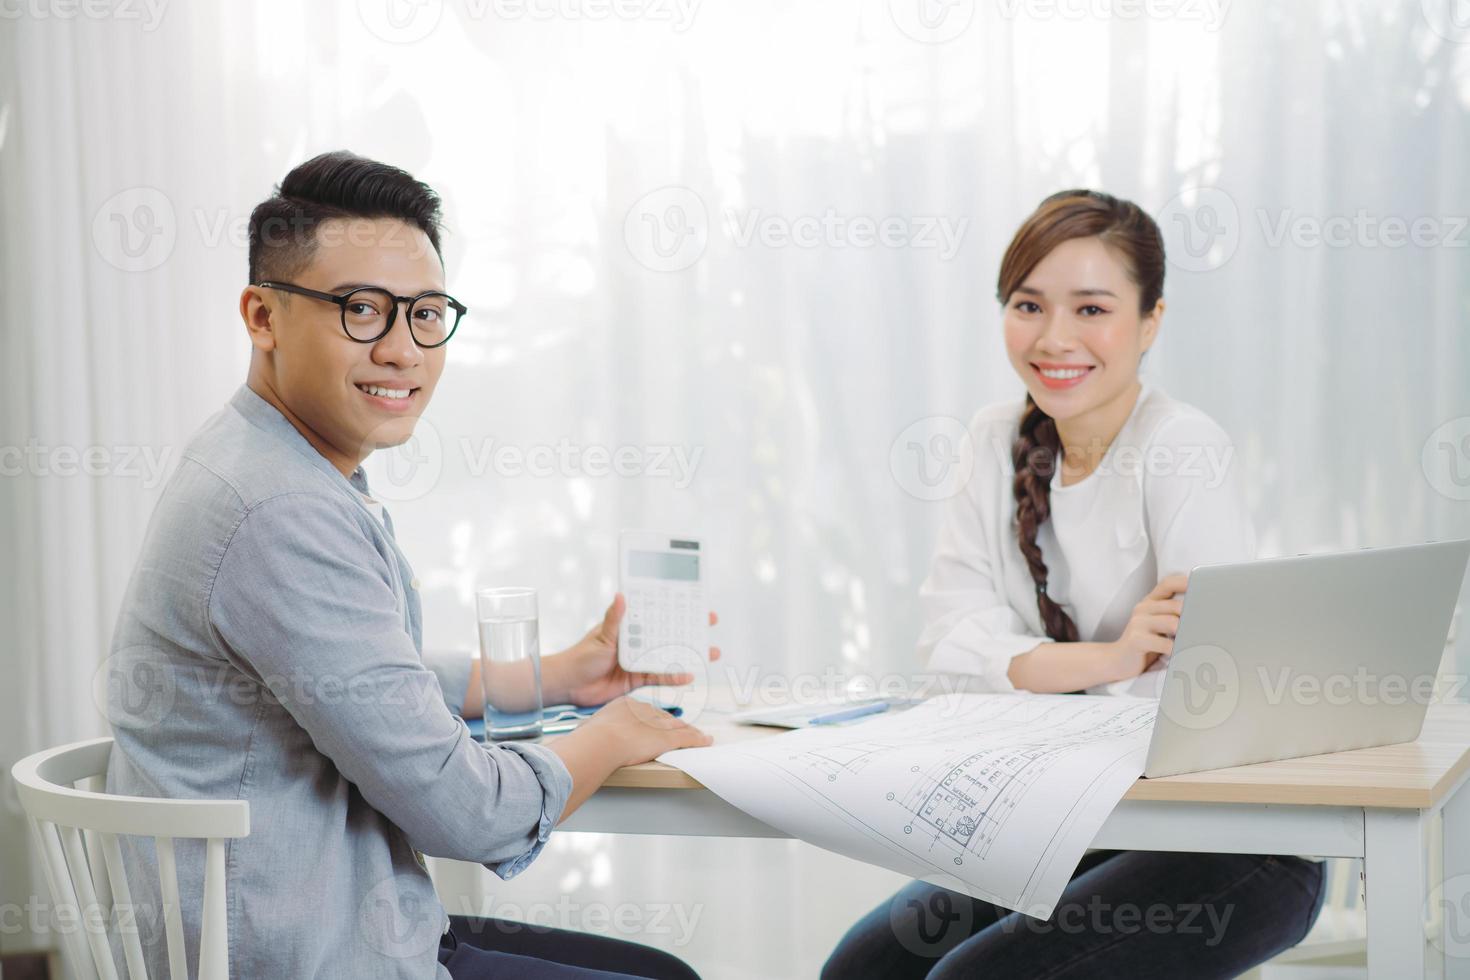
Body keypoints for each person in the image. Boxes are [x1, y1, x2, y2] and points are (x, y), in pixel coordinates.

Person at [105, 150, 713, 980]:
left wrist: (569, 672)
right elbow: (469, 815)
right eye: (362, 309)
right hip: (308, 955)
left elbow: (370, 681)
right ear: (262, 315)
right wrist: (614, 735)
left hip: (347, 917)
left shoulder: (259, 462)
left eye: (426, 314)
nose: (402, 350)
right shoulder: (279, 507)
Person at [821, 190, 1326, 978]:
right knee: (862, 969)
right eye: (1029, 305)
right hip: (1069, 820)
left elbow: (1205, 694)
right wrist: (1112, 660)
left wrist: (1034, 673)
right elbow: (948, 656)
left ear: (1150, 321)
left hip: (1234, 839)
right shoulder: (995, 440)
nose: (1055, 338)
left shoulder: (1180, 445)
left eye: (1092, 308)